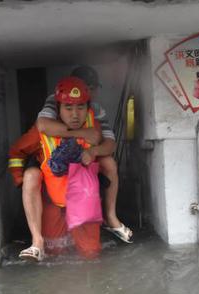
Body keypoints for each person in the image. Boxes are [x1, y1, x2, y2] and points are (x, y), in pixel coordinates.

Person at [8, 77, 104, 261]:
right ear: (58, 109)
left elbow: (106, 153)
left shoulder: (94, 127)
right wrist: (22, 182)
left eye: (80, 107)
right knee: (54, 256)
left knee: (92, 255)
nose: (75, 114)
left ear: (88, 108)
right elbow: (16, 152)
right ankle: (37, 241)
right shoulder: (41, 131)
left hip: (84, 205)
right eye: (68, 108)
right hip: (53, 205)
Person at [35, 65, 133, 243]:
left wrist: (92, 150)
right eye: (88, 87)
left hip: (86, 163)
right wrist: (81, 133)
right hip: (55, 167)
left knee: (110, 163)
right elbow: (43, 125)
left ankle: (111, 217)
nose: (92, 92)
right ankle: (38, 238)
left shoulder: (96, 108)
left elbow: (110, 144)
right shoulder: (56, 99)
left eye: (93, 88)